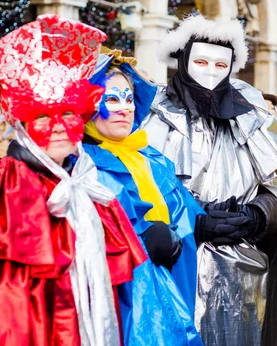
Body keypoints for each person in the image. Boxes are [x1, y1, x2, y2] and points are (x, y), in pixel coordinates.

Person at [0, 15, 147, 345]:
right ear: (20, 122)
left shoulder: (91, 191)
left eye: (67, 113)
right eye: (41, 116)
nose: (59, 126)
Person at [143, 14, 277, 346]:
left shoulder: (252, 112)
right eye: (200, 61)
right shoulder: (153, 113)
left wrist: (258, 216)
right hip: (175, 266)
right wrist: (191, 222)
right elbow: (139, 188)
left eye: (220, 64)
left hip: (244, 273)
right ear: (182, 60)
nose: (210, 72)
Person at [83, 50, 203, 345]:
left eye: (128, 98)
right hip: (121, 301)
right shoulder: (81, 164)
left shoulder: (150, 158)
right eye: (111, 99)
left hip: (170, 290)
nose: (125, 108)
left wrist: (210, 221)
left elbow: (184, 209)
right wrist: (139, 241)